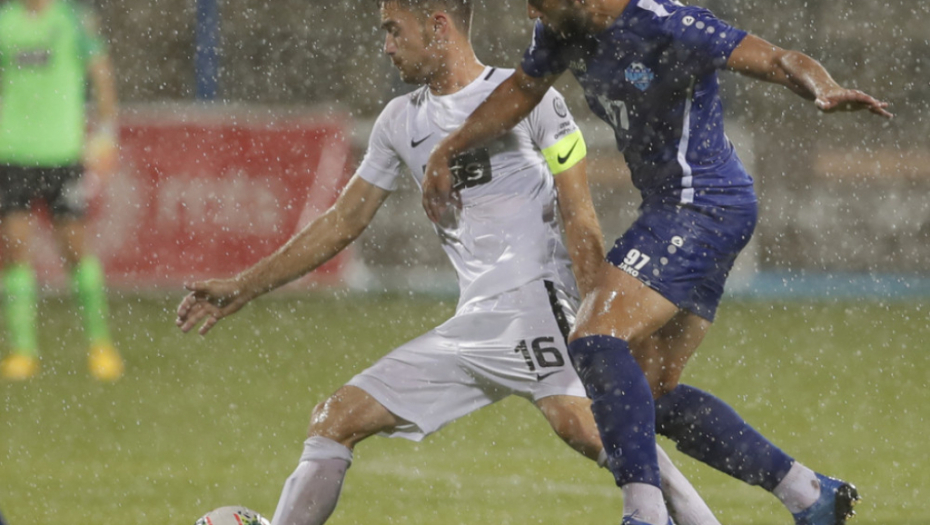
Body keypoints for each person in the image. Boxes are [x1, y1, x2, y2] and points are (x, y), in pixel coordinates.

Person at [176, 1, 725, 524]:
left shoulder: (531, 98)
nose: (387, 46)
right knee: (334, 419)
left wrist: (598, 320)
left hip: (536, 303)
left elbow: (579, 215)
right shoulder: (399, 121)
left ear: (439, 26)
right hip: (473, 323)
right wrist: (245, 285)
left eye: (394, 30)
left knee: (589, 424)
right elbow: (344, 219)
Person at [422, 1, 892, 524]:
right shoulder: (561, 29)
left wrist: (823, 87)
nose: (531, 10)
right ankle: (809, 494)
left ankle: (644, 514)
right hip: (696, 208)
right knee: (647, 394)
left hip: (700, 203)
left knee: (595, 339)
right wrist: (449, 148)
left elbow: (777, 59)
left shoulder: (667, 23)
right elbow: (521, 90)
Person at [0, 0, 123, 381]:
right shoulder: (5, 21)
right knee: (15, 251)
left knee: (75, 249)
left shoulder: (72, 18)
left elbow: (100, 71)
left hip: (62, 154)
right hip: (13, 152)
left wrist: (107, 133)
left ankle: (100, 345)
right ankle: (23, 352)